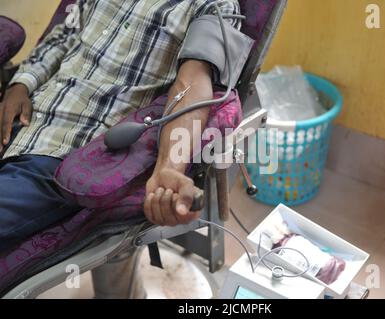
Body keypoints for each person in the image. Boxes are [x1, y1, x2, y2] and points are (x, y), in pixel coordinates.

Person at [0, 0, 241, 252]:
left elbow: (192, 86)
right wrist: (21, 85)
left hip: (61, 155)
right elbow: (67, 34)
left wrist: (170, 166)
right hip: (26, 117)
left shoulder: (214, 6)